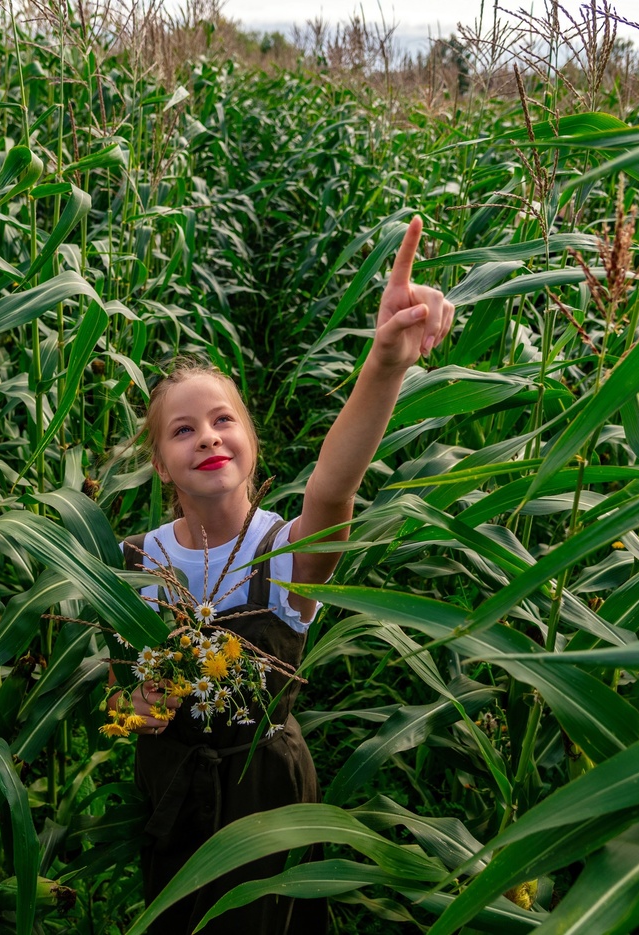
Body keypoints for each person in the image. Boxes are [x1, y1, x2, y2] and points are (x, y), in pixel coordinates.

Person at [120, 215, 456, 933]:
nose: (206, 435)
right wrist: (134, 701)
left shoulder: (287, 551)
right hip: (174, 794)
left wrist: (384, 364)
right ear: (160, 464)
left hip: (267, 798)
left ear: (250, 439)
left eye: (222, 420)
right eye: (182, 429)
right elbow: (119, 684)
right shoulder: (137, 560)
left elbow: (332, 489)